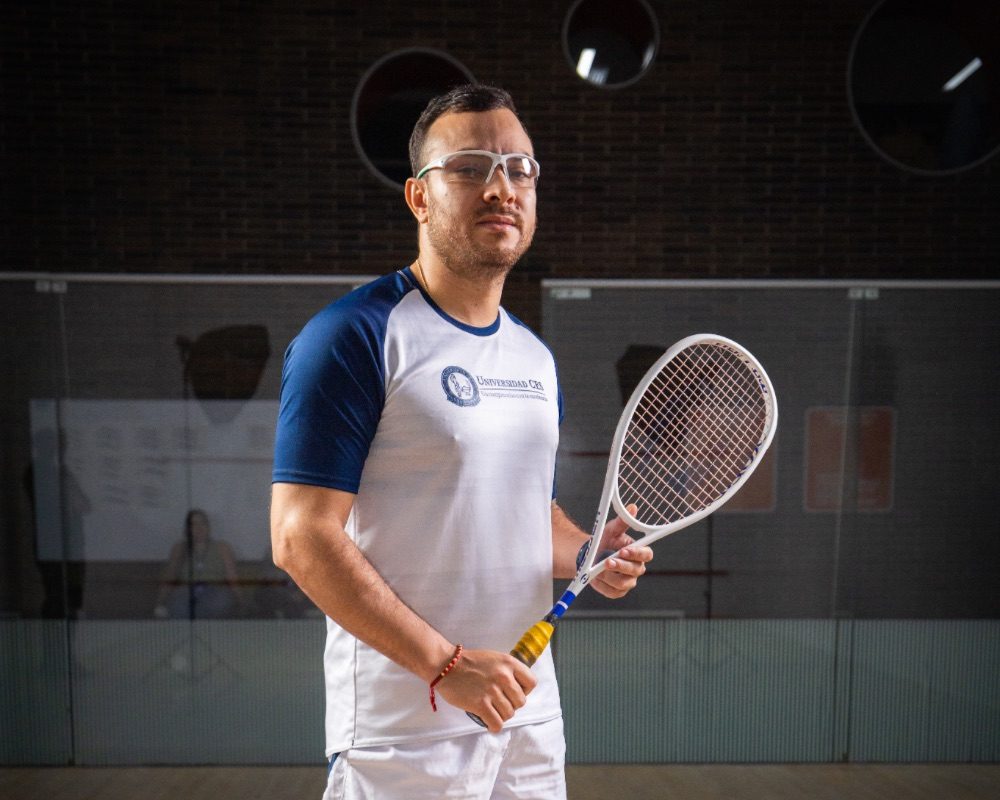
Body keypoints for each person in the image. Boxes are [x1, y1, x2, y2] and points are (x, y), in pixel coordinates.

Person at [270, 83, 653, 799]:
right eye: (471, 167)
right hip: (403, 733)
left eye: (519, 168)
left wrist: (586, 552)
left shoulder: (533, 359)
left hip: (528, 716)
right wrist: (448, 666)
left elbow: (521, 511)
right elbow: (300, 538)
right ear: (419, 197)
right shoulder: (353, 336)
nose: (500, 187)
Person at [154, 509, 243, 619]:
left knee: (220, 605)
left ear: (208, 527)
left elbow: (232, 576)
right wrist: (160, 602)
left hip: (216, 589)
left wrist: (241, 602)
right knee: (178, 606)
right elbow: (170, 575)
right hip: (187, 589)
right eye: (194, 524)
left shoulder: (222, 547)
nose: (199, 528)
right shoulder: (180, 548)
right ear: (187, 529)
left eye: (203, 523)